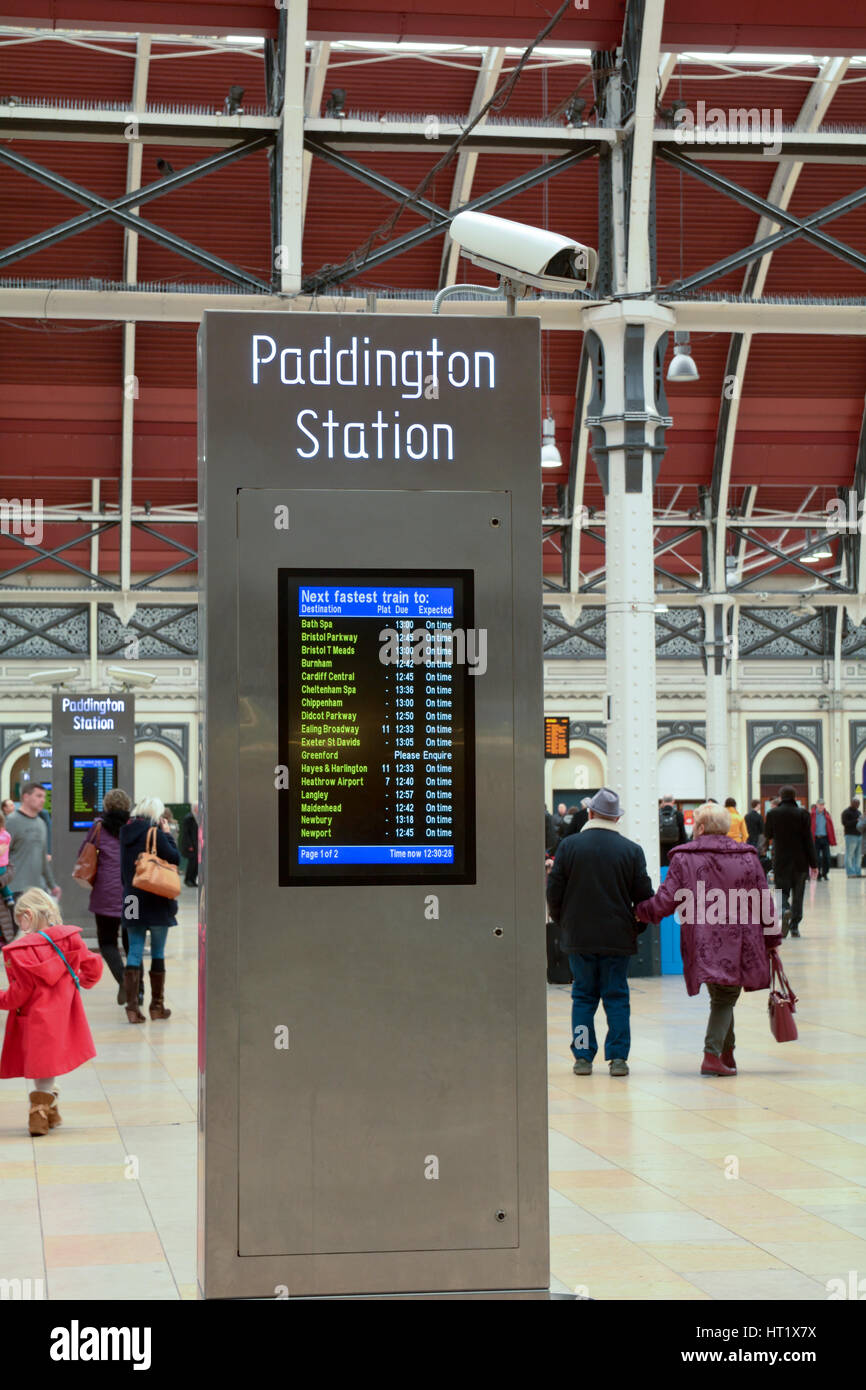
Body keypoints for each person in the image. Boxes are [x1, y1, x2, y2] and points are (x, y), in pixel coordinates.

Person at [635, 802, 781, 1076]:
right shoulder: (748, 856)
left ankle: (727, 1054)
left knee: (722, 993)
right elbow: (764, 902)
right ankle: (713, 1055)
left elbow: (665, 901)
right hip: (740, 940)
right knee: (725, 994)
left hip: (703, 940)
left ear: (700, 828)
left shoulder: (683, 858)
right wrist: (772, 937)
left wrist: (640, 912)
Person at [546, 787, 652, 1078]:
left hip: (578, 937)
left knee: (582, 997)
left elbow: (554, 890)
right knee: (616, 997)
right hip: (618, 938)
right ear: (616, 819)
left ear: (590, 813)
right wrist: (636, 927)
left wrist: (563, 921)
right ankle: (618, 1059)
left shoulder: (569, 846)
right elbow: (644, 897)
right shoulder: (631, 851)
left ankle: (582, 1056)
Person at [0, 888, 103, 1135]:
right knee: (48, 1064)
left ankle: (39, 1114)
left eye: (20, 921)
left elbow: (19, 995)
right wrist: (82, 980)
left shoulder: (20, 952)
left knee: (40, 1067)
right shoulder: (71, 939)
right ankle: (51, 1109)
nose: (20, 927)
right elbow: (94, 967)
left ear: (29, 914)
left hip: (34, 1018)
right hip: (64, 1016)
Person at [119, 796, 180, 1024]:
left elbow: (123, 871)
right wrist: (166, 834)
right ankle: (157, 1006)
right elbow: (174, 857)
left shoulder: (125, 834)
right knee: (157, 951)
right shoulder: (154, 832)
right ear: (157, 813)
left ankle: (133, 1008)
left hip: (132, 898)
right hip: (156, 898)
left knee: (134, 949)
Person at [79, 788, 132, 1006]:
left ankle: (123, 981)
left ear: (106, 806)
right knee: (132, 943)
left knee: (108, 942)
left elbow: (83, 853)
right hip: (132, 895)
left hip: (105, 895)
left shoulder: (98, 827)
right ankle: (138, 991)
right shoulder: (134, 827)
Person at [764, 786, 817, 938]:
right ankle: (794, 926)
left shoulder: (773, 813)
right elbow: (808, 840)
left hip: (781, 860)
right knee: (798, 894)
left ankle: (784, 910)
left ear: (780, 797)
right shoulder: (803, 814)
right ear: (795, 797)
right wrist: (814, 864)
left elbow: (768, 834)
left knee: (781, 891)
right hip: (800, 861)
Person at [6, 783, 59, 909]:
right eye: (38, 796)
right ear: (25, 797)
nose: (43, 800)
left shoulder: (41, 824)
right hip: (15, 890)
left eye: (44, 797)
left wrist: (52, 885)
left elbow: (43, 859)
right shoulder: (11, 821)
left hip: (37, 890)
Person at [809, 799, 836, 881]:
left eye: (823, 805)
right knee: (817, 858)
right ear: (816, 805)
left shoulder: (827, 815)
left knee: (827, 857)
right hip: (816, 839)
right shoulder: (812, 815)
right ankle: (818, 875)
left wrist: (832, 839)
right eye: (820, 805)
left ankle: (825, 873)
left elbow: (830, 827)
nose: (821, 806)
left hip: (825, 838)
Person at [658, 793, 687, 867]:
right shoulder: (678, 814)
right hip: (675, 851)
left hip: (660, 852)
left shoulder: (657, 814)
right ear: (673, 801)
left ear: (663, 801)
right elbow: (683, 835)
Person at [841, 797, 862, 878]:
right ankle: (850, 873)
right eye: (856, 803)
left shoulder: (859, 812)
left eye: (858, 804)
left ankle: (857, 872)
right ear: (852, 803)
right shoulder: (846, 812)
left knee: (858, 856)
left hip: (859, 836)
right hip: (850, 836)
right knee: (849, 855)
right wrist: (856, 821)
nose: (857, 805)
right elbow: (845, 823)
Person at [181, 804, 199, 887]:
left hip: (197, 843)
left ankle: (193, 879)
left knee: (196, 863)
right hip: (191, 844)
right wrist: (189, 845)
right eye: (198, 807)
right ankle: (188, 879)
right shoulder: (188, 818)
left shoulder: (198, 817)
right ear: (194, 808)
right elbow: (186, 833)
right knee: (192, 863)